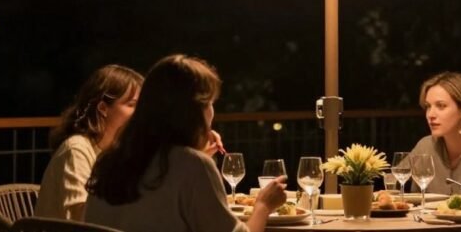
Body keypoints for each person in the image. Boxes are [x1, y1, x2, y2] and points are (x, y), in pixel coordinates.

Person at [85, 54, 286, 232]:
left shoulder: (109, 161)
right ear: (193, 111)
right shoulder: (192, 166)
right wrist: (263, 206)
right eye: (209, 103)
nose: (211, 111)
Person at [36, 64, 144, 221]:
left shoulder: (115, 151)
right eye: (132, 105)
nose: (139, 113)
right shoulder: (76, 149)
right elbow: (80, 217)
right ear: (103, 108)